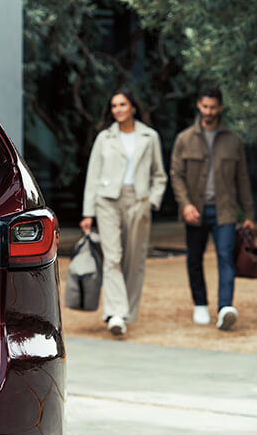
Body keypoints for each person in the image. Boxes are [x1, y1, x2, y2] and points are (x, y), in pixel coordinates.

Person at [80, 89, 168, 336]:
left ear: (133, 108)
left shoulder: (150, 137)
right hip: (107, 200)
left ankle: (126, 311)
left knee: (134, 259)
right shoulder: (104, 138)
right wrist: (88, 213)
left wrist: (151, 201)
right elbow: (93, 176)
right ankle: (115, 313)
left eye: (122, 104)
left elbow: (159, 175)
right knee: (113, 257)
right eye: (114, 106)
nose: (117, 109)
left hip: (138, 201)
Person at [170, 86, 254, 330]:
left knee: (226, 257)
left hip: (224, 211)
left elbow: (242, 179)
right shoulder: (184, 139)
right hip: (195, 211)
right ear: (199, 105)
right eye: (205, 106)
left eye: (213, 107)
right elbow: (176, 175)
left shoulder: (233, 140)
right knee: (194, 259)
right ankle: (200, 304)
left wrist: (248, 213)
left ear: (220, 108)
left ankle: (225, 307)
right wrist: (185, 204)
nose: (209, 111)